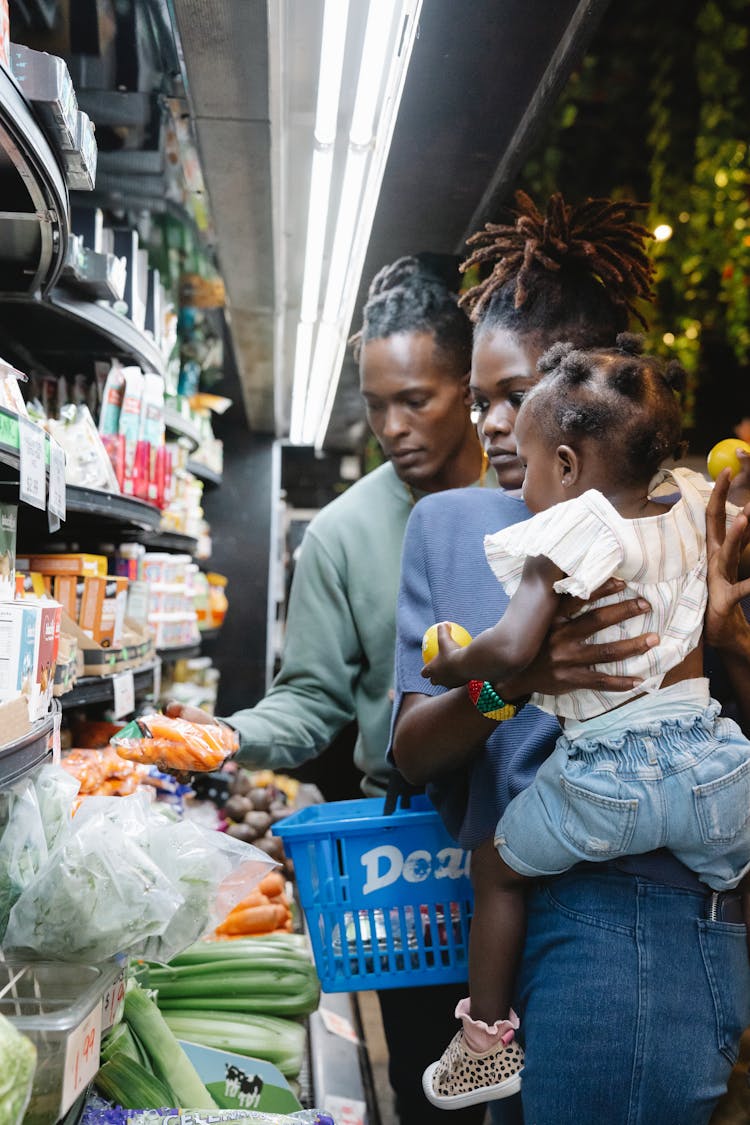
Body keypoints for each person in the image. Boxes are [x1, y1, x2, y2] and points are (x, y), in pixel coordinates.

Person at [169, 249, 660, 1124]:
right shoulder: (346, 535)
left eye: (422, 399)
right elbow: (314, 696)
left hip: (576, 860)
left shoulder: (555, 489)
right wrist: (221, 733)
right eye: (375, 405)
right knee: (431, 1096)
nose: (395, 426)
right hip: (412, 854)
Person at [389, 191, 750, 1125]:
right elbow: (413, 752)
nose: (495, 426)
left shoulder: (693, 509)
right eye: (480, 401)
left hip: (647, 921)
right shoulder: (447, 525)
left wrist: (732, 642)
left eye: (516, 398)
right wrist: (519, 680)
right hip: (511, 924)